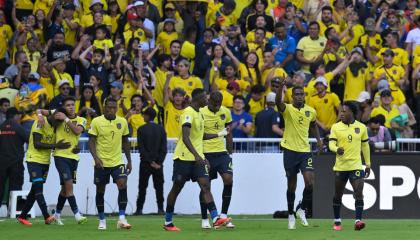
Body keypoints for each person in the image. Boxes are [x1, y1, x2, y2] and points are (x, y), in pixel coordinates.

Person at [163, 88, 230, 231]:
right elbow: (185, 137)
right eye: (204, 98)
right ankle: (168, 221)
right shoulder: (188, 113)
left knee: (205, 186)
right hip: (183, 158)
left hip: (198, 159)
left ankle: (216, 218)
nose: (207, 100)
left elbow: (201, 136)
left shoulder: (199, 114)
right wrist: (197, 155)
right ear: (197, 99)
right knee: (177, 188)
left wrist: (219, 134)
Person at [275, 79, 323, 229]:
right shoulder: (287, 109)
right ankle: (290, 215)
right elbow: (278, 103)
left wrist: (318, 140)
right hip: (289, 151)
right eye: (296, 94)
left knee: (310, 182)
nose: (299, 96)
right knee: (292, 186)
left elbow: (314, 125)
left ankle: (301, 209)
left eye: (302, 94)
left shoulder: (311, 111)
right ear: (292, 96)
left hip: (304, 151)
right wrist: (281, 88)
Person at [16, 111, 70, 225]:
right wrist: (56, 145)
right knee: (39, 188)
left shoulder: (56, 123)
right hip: (33, 159)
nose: (58, 125)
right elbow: (37, 144)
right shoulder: (40, 122)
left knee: (34, 190)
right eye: (57, 122)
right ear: (52, 117)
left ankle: (22, 216)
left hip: (45, 162)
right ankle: (46, 216)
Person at [88, 97, 132, 230]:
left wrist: (129, 161)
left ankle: (122, 219)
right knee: (100, 190)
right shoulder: (96, 121)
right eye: (109, 107)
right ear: (104, 107)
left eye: (114, 107)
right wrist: (96, 158)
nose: (111, 110)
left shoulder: (122, 121)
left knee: (122, 184)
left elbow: (125, 142)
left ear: (117, 108)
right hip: (101, 162)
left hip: (117, 161)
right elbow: (91, 141)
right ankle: (102, 220)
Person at [328, 102, 371, 231]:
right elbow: (331, 145)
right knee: (338, 194)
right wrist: (336, 149)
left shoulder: (362, 127)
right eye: (340, 111)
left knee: (359, 192)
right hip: (341, 167)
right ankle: (337, 220)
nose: (341, 113)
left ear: (352, 113)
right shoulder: (335, 127)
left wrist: (368, 164)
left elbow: (365, 146)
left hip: (356, 165)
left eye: (344, 111)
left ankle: (358, 221)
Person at [200, 92, 234, 229]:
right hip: (206, 153)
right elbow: (199, 134)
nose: (217, 107)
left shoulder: (225, 111)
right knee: (205, 186)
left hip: (221, 153)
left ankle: (224, 216)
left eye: (219, 104)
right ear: (209, 101)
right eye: (214, 104)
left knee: (228, 179)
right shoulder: (201, 112)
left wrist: (230, 152)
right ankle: (204, 219)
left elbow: (229, 131)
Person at [52, 97, 88, 225]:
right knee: (69, 186)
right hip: (60, 156)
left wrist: (66, 119)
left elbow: (77, 131)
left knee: (64, 189)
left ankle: (56, 215)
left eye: (73, 105)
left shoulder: (81, 120)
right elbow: (42, 111)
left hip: (74, 158)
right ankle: (77, 215)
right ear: (64, 107)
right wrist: (40, 115)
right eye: (68, 105)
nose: (71, 107)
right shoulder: (58, 117)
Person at [135, 107, 167, 215]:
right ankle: (161, 209)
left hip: (145, 163)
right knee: (159, 187)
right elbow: (163, 149)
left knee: (142, 187)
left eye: (144, 115)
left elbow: (141, 148)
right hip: (158, 164)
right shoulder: (161, 129)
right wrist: (158, 163)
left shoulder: (141, 129)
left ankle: (139, 210)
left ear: (148, 116)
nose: (143, 116)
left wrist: (150, 161)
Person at [0, 108, 29, 211]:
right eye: (18, 115)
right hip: (16, 162)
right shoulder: (18, 127)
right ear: (15, 115)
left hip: (1, 162)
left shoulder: (1, 127)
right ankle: (13, 210)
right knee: (15, 187)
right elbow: (29, 139)